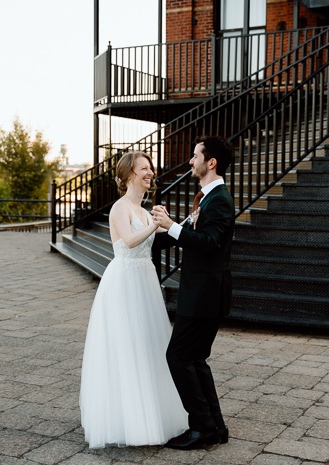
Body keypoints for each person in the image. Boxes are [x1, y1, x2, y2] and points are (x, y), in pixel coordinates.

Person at [79, 151, 188, 448]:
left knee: (150, 344)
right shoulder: (120, 208)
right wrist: (157, 225)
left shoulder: (144, 210)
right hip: (124, 281)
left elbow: (155, 240)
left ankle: (155, 415)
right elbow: (128, 241)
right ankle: (128, 420)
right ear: (129, 175)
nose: (150, 172)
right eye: (144, 168)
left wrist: (182, 225)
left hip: (145, 280)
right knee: (127, 346)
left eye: (150, 168)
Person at [151, 135, 234, 450]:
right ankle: (215, 426)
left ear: (210, 162)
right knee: (195, 359)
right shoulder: (207, 198)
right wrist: (147, 237)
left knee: (179, 356)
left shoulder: (220, 199)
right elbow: (184, 234)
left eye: (195, 155)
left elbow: (210, 243)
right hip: (202, 293)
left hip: (205, 295)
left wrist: (172, 225)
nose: (190, 161)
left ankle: (202, 428)